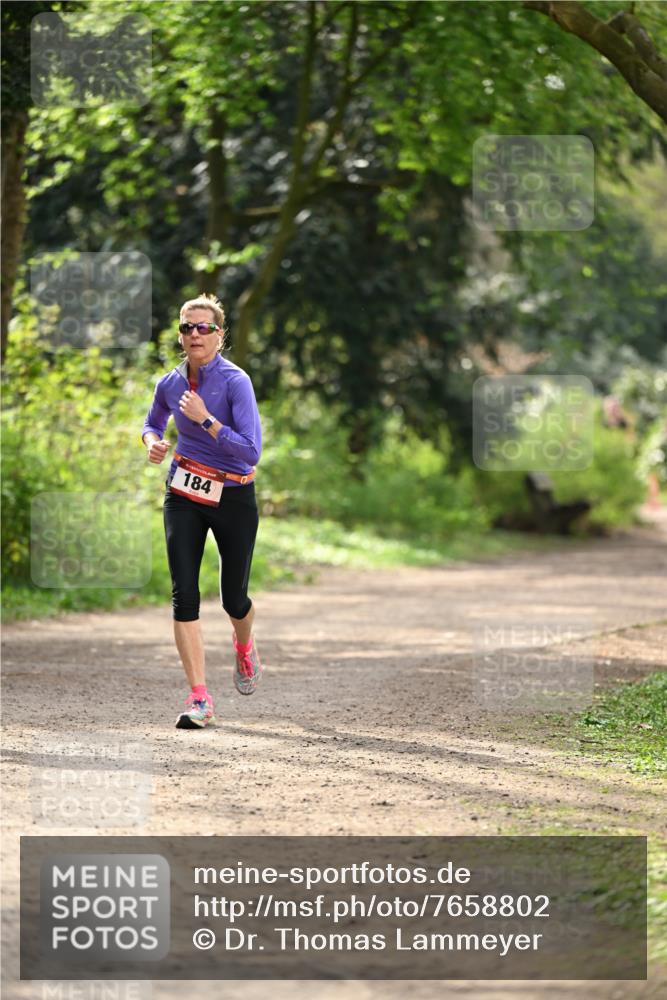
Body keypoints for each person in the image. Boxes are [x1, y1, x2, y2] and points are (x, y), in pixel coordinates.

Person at [141, 293, 263, 729]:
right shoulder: (170, 383)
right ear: (180, 336)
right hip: (184, 492)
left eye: (204, 327)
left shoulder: (235, 382)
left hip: (233, 494)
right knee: (184, 595)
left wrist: (206, 419)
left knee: (234, 598)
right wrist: (152, 442)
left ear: (219, 335)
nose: (195, 334)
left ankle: (244, 646)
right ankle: (199, 698)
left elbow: (251, 452)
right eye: (187, 327)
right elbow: (152, 422)